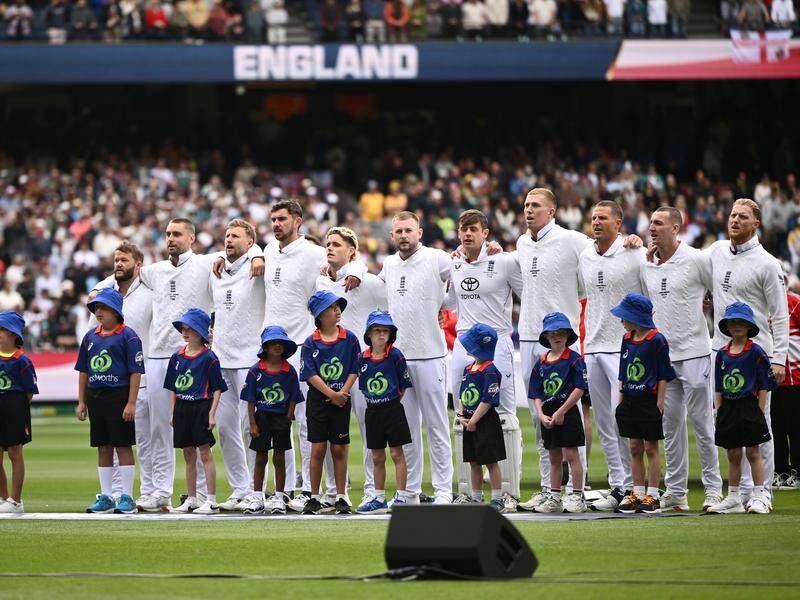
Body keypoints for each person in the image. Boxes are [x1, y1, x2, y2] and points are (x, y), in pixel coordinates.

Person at [96, 218, 262, 512]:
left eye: (177, 234)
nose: (170, 238)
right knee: (160, 429)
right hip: (159, 357)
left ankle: (208, 493)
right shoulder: (155, 271)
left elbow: (244, 251)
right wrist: (98, 288)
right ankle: (160, 491)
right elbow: (123, 271)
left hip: (193, 357)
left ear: (192, 238)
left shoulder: (206, 263)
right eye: (168, 234)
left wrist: (259, 253)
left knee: (200, 430)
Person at [256, 200, 361, 512]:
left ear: (297, 221)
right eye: (273, 219)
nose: (276, 224)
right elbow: (247, 251)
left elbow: (347, 261)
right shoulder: (268, 250)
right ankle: (284, 490)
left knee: (308, 423)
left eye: (282, 219)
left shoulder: (314, 252)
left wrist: (354, 270)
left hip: (302, 346)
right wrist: (251, 258)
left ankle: (322, 489)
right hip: (272, 347)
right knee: (274, 421)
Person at [706, 198, 788, 509]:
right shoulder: (715, 251)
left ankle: (762, 493)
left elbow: (780, 315)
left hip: (757, 355)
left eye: (743, 216)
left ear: (756, 224)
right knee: (727, 425)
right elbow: (689, 269)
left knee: (758, 426)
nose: (735, 220)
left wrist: (779, 358)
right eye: (732, 215)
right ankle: (736, 494)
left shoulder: (767, 263)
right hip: (722, 352)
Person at [641, 207, 723, 511]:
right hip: (664, 359)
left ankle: (714, 490)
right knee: (670, 427)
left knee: (703, 423)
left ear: (677, 228)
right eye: (650, 223)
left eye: (659, 223)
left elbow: (720, 293)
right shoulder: (647, 265)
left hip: (695, 353)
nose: (652, 228)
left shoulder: (697, 259)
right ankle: (676, 493)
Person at [447, 209, 523, 509]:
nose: (467, 234)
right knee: (461, 409)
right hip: (463, 343)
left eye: (473, 229)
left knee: (503, 414)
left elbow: (527, 293)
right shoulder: (454, 263)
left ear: (485, 232)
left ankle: (509, 493)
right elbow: (448, 299)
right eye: (463, 229)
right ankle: (469, 491)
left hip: (497, 341)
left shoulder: (503, 261)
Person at [380, 211, 454, 504]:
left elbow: (463, 281)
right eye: (398, 231)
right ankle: (410, 490)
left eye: (408, 230)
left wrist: (444, 306)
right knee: (407, 429)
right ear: (392, 235)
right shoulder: (388, 264)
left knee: (437, 425)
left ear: (419, 232)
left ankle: (444, 490)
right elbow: (375, 292)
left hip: (431, 355)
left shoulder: (438, 258)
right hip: (399, 359)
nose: (403, 236)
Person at [579, 201, 647, 512]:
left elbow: (651, 295)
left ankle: (640, 488)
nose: (596, 222)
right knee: (605, 423)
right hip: (592, 346)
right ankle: (618, 486)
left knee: (628, 422)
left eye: (603, 218)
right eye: (593, 217)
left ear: (618, 223)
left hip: (624, 347)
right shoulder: (585, 256)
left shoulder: (635, 253)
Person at [316, 227, 387, 511]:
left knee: (370, 431)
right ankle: (334, 492)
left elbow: (390, 311)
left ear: (352, 251)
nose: (330, 248)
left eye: (336, 244)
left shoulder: (368, 281)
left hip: (365, 368)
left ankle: (372, 491)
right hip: (331, 371)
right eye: (328, 244)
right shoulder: (320, 283)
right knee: (332, 434)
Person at [88, 243, 154, 509]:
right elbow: (87, 359)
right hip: (104, 387)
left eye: (123, 260)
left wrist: (131, 399)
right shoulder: (106, 295)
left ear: (138, 265)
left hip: (137, 380)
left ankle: (142, 493)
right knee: (106, 446)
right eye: (115, 260)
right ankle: (111, 495)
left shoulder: (150, 293)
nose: (118, 264)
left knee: (139, 442)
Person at [209, 219, 264, 511]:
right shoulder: (216, 268)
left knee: (251, 427)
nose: (228, 240)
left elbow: (275, 255)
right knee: (225, 428)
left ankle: (260, 490)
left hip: (249, 359)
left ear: (250, 241)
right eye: (226, 236)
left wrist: (259, 254)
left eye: (235, 236)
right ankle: (240, 489)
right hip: (221, 358)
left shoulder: (259, 264)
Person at [75, 289, 145, 514]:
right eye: (96, 308)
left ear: (115, 311)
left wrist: (131, 402)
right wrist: (81, 401)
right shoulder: (90, 337)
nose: (98, 312)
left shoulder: (129, 336)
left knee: (123, 445)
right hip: (96, 397)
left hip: (119, 396)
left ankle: (127, 497)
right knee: (103, 446)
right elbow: (83, 371)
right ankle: (106, 497)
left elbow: (136, 371)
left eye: (102, 308)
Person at [611, 293, 676, 513]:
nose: (621, 320)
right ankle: (637, 494)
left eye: (624, 316)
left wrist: (660, 402)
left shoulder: (657, 340)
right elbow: (623, 371)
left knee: (651, 447)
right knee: (634, 446)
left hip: (649, 400)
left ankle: (653, 495)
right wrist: (621, 399)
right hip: (629, 399)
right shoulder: (626, 339)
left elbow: (663, 374)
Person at [707, 303, 774, 514]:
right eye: (732, 322)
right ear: (727, 326)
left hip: (749, 406)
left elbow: (764, 384)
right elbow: (718, 385)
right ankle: (734, 497)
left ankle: (760, 495)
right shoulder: (723, 353)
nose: (736, 326)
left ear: (748, 326)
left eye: (741, 322)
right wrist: (719, 410)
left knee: (753, 452)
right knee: (733, 453)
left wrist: (759, 410)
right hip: (728, 408)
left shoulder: (755, 351)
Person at [299, 291, 360, 515]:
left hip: (342, 398)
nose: (337, 311)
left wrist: (341, 392)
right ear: (320, 315)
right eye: (332, 307)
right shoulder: (309, 343)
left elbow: (355, 368)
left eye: (338, 307)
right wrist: (331, 394)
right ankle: (314, 497)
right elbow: (310, 374)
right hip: (318, 399)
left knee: (339, 448)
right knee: (317, 448)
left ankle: (341, 496)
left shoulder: (350, 339)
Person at [165, 308, 227, 514]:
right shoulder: (176, 357)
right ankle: (192, 498)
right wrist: (173, 412)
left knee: (205, 453)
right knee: (188, 454)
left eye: (190, 329)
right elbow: (173, 388)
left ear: (201, 332)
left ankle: (211, 500)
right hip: (182, 408)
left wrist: (211, 413)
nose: (185, 332)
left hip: (201, 407)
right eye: (183, 328)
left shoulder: (210, 357)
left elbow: (217, 388)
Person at [527, 312, 588, 513]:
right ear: (546, 336)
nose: (556, 336)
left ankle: (577, 496)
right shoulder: (542, 362)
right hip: (548, 413)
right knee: (553, 456)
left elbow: (579, 388)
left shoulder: (574, 359)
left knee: (571, 454)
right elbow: (535, 392)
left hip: (567, 411)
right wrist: (540, 414)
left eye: (561, 332)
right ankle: (554, 497)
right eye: (552, 333)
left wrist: (562, 411)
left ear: (568, 334)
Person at [240, 326, 303, 515]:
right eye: (273, 343)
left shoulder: (289, 371)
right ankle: (257, 495)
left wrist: (288, 416)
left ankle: (279, 496)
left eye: (280, 343)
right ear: (265, 347)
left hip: (281, 418)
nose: (277, 346)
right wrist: (252, 423)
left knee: (279, 457)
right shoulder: (255, 371)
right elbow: (250, 400)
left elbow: (294, 396)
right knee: (260, 457)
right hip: (262, 418)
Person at [356, 311, 414, 513]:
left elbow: (403, 384)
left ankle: (401, 497)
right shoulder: (362, 358)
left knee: (397, 453)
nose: (381, 334)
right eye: (377, 330)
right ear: (369, 334)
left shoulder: (396, 355)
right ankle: (379, 498)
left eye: (385, 331)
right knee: (377, 456)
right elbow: (363, 386)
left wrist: (389, 401)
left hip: (392, 410)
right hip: (372, 412)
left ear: (391, 334)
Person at [456, 323, 506, 511]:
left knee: (491, 460)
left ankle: (497, 498)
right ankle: (476, 497)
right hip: (468, 421)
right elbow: (463, 395)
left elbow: (488, 399)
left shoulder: (490, 371)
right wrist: (461, 415)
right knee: (473, 461)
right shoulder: (468, 369)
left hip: (484, 421)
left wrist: (474, 420)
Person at [0, 312, 38, 514]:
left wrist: (17, 409)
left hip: (15, 406)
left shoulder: (22, 360)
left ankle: (16, 500)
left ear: (14, 334)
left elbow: (29, 392)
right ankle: (3, 497)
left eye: (3, 329)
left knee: (15, 453)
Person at [772, 273, 800, 490]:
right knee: (776, 428)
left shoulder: (795, 302)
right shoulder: (764, 306)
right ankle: (780, 471)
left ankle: (797, 472)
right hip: (772, 381)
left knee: (795, 428)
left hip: (795, 379)